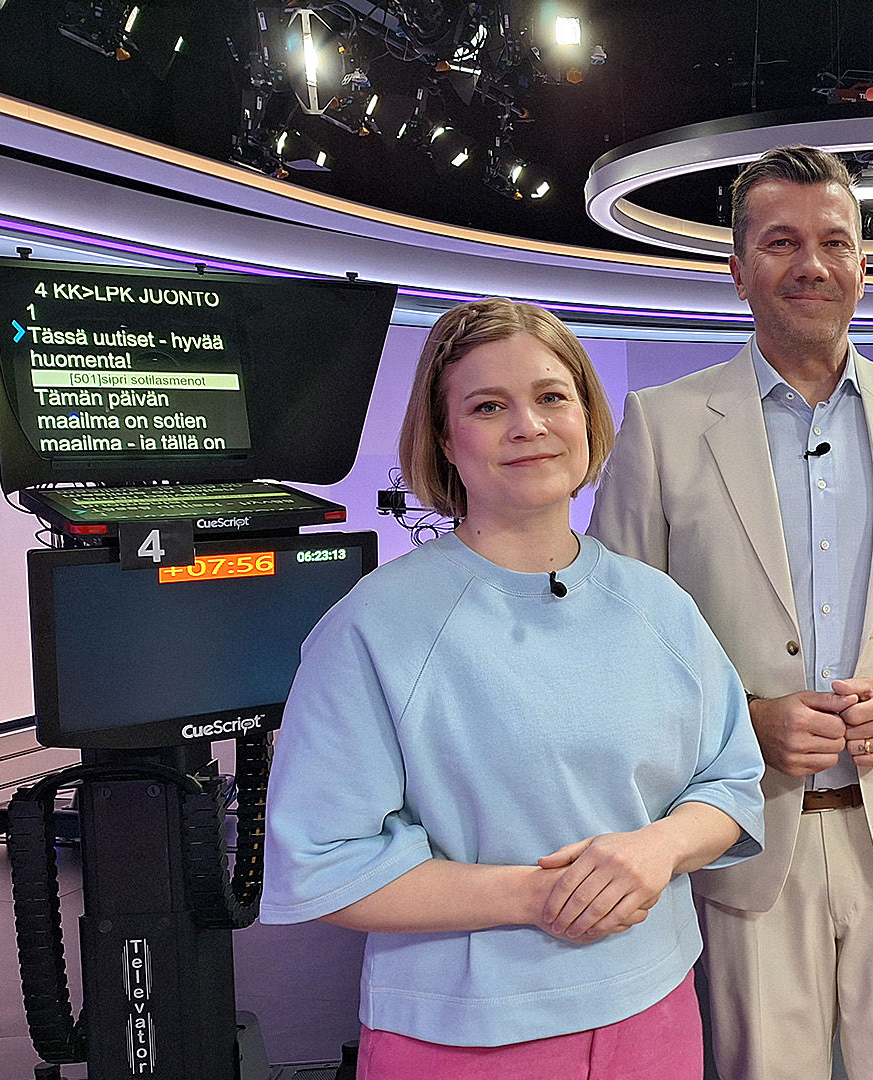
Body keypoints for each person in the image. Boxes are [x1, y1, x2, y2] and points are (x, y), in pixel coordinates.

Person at [588, 145, 873, 1080]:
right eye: (781, 242)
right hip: (745, 841)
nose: (811, 264)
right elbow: (616, 644)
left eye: (834, 241)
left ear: (863, 264)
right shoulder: (662, 426)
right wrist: (745, 722)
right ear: (738, 268)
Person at [260, 298, 766, 1079]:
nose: (528, 426)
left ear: (587, 417)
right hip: (466, 1039)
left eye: (551, 397)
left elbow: (731, 785)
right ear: (444, 439)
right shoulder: (375, 626)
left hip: (656, 1011)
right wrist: (538, 897)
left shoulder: (659, 605)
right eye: (488, 407)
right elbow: (324, 864)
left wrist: (660, 846)